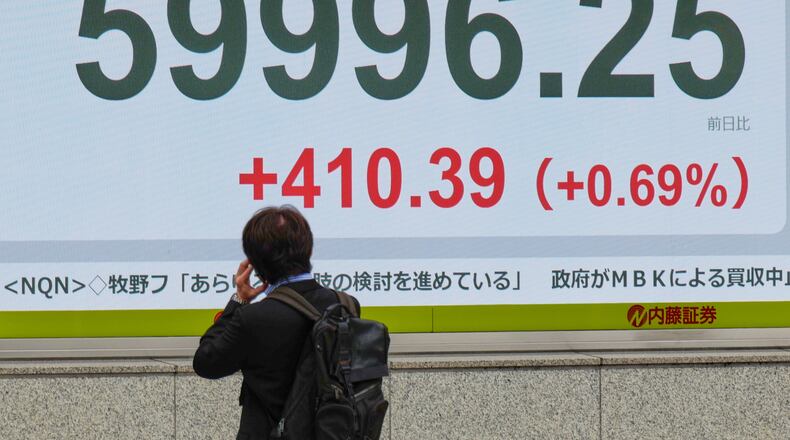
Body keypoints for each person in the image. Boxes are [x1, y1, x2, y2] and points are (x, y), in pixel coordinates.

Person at [193, 205, 359, 439]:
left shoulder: (253, 318)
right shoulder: (345, 305)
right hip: (332, 433)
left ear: (255, 263)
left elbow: (206, 363)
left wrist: (239, 300)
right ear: (309, 249)